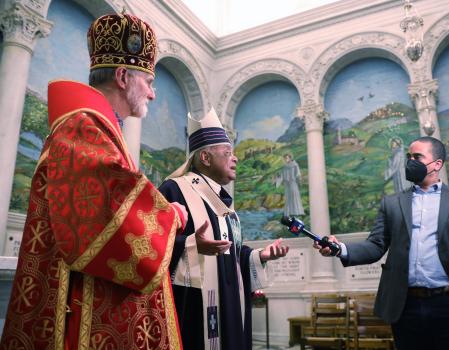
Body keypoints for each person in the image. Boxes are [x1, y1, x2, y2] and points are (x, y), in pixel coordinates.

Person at [0, 13, 190, 350]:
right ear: (122, 76)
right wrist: (170, 215)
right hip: (78, 316)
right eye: (148, 81)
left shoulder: (96, 129)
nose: (153, 94)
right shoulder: (81, 127)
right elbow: (109, 215)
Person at [315, 136, 449, 350]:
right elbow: (375, 245)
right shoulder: (392, 203)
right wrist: (339, 249)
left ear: (437, 164)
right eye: (409, 157)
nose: (410, 161)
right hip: (406, 306)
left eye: (418, 157)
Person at [159, 109, 289, 350]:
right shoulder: (174, 190)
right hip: (194, 309)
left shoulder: (222, 200)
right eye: (227, 153)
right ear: (205, 158)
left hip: (230, 304)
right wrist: (190, 245)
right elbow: (155, 243)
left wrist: (257, 256)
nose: (235, 158)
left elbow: (229, 252)